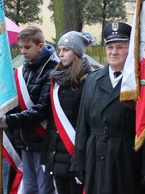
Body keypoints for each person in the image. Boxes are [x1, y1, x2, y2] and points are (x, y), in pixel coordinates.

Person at [71, 22, 145, 194]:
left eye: (120, 47)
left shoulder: (140, 82)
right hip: (95, 157)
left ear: (131, 50)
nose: (113, 52)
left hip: (126, 158)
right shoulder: (92, 80)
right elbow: (82, 126)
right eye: (110, 47)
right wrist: (79, 162)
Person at [0, 25, 58, 194]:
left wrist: (9, 121)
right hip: (24, 139)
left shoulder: (51, 70)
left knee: (44, 188)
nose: (23, 51)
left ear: (40, 46)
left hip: (41, 139)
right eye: (21, 47)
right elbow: (16, 103)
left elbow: (42, 108)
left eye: (27, 47)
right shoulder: (23, 70)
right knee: (29, 187)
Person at [45, 31, 101, 194]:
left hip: (76, 153)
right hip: (58, 155)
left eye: (65, 49)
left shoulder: (88, 81)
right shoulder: (56, 80)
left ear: (76, 53)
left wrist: (82, 158)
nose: (60, 54)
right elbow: (52, 123)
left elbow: (88, 123)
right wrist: (47, 156)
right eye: (59, 49)